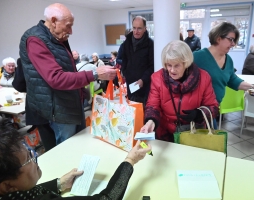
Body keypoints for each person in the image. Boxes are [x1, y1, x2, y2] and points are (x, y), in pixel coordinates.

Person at [19, 3, 117, 145]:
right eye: (68, 26)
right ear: (53, 21)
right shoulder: (36, 40)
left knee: (79, 145)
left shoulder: (57, 38)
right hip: (58, 111)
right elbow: (56, 78)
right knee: (68, 149)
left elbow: (67, 70)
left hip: (70, 104)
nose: (71, 31)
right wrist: (95, 74)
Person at [0, 127, 152, 200]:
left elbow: (26, 194)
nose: (36, 156)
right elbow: (107, 199)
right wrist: (131, 160)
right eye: (29, 159)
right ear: (7, 186)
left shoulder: (11, 194)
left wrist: (59, 184)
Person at [140, 40, 219, 142]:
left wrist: (198, 114)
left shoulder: (204, 77)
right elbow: (152, 105)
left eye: (177, 65)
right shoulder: (157, 78)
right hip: (165, 134)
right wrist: (150, 121)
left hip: (193, 133)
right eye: (169, 65)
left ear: (186, 63)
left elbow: (213, 107)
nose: (172, 70)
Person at [193, 22, 254, 106]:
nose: (233, 44)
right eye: (231, 39)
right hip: (196, 110)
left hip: (213, 109)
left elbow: (232, 79)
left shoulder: (228, 59)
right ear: (218, 38)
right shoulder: (197, 57)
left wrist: (252, 87)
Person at [12, 58, 56, 152]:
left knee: (48, 137)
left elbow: (18, 84)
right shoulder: (54, 52)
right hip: (59, 101)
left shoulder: (25, 59)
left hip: (37, 101)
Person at [121, 16, 154, 105]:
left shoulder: (150, 44)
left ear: (145, 29)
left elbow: (152, 65)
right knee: (131, 110)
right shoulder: (127, 42)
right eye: (134, 28)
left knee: (142, 111)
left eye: (139, 28)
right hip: (130, 84)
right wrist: (124, 72)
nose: (136, 31)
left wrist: (143, 80)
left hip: (144, 85)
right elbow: (124, 60)